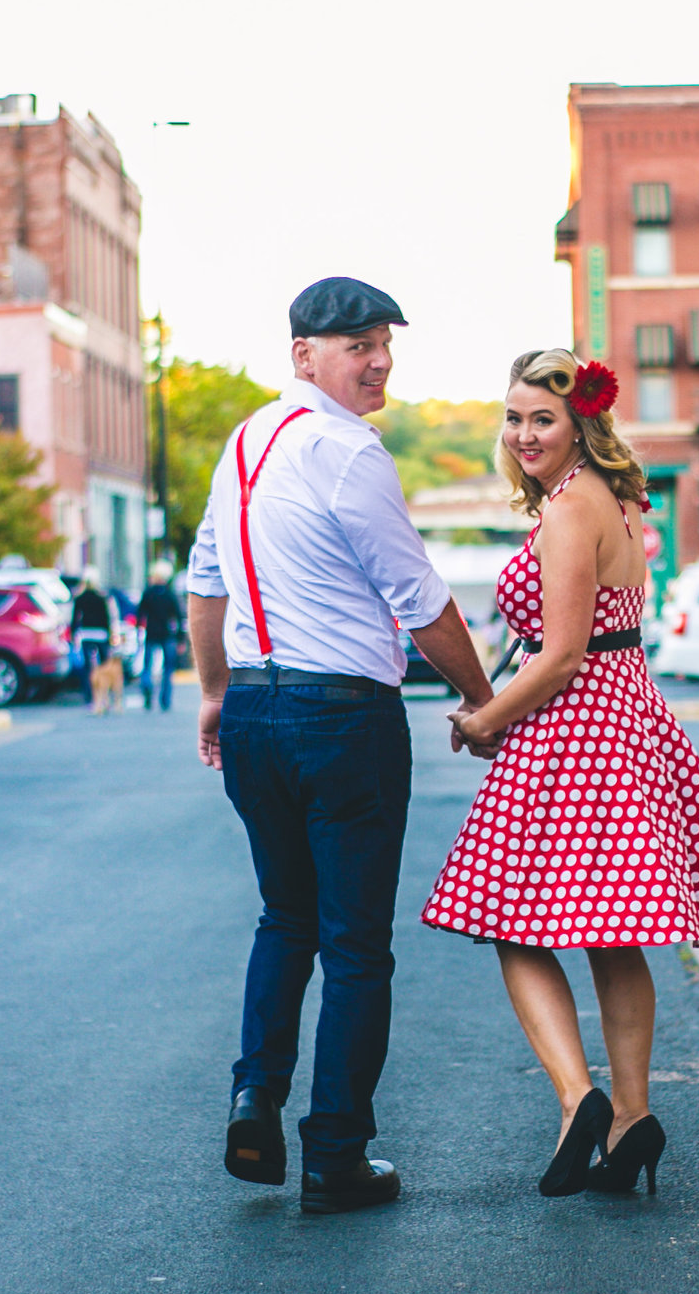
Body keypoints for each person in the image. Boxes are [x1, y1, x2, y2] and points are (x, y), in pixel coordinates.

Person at [423, 349, 699, 1198]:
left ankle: (578, 1097)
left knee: (512, 923)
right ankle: (630, 1118)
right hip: (629, 718)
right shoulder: (615, 502)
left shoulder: (567, 512)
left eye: (541, 418)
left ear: (580, 420)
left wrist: (483, 719)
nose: (523, 434)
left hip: (576, 727)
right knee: (614, 935)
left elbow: (561, 657)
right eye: (512, 418)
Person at [189, 277, 497, 1215]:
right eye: (358, 344)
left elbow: (205, 585)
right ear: (304, 355)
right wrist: (484, 700)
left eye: (385, 344)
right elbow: (420, 599)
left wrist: (213, 696)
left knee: (287, 918)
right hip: (342, 719)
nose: (379, 361)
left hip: (254, 713)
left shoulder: (243, 443)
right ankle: (336, 1156)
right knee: (355, 942)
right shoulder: (348, 452)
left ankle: (256, 1096)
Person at [136, 561, 183, 711]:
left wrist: (139, 629)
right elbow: (178, 617)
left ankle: (147, 691)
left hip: (151, 633)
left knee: (147, 666)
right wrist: (180, 638)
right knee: (168, 668)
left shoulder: (148, 593)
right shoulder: (169, 595)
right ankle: (165, 699)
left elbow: (140, 613)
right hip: (167, 634)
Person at [70, 575, 118, 711]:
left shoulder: (79, 598)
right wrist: (109, 635)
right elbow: (106, 618)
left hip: (86, 635)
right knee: (104, 666)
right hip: (101, 635)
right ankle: (106, 695)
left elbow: (76, 618)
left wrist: (74, 634)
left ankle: (90, 696)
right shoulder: (102, 598)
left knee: (87, 668)